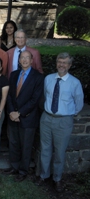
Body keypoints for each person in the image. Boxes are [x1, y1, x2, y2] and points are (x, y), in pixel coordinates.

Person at [36, 53, 84, 192]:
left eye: (65, 63)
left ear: (69, 65)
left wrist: (67, 113)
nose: (62, 65)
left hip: (64, 121)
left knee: (59, 152)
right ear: (56, 63)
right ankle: (44, 176)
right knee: (45, 149)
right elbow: (45, 96)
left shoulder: (75, 83)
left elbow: (79, 103)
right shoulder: (48, 79)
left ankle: (57, 179)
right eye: (59, 62)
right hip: (46, 118)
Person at [4, 51, 44, 182]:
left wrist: (19, 113)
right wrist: (11, 112)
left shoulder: (38, 77)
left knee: (26, 146)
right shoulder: (14, 75)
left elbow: (34, 100)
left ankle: (23, 171)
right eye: (22, 57)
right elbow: (10, 96)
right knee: (14, 143)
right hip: (13, 116)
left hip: (27, 117)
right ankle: (14, 167)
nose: (25, 60)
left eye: (28, 57)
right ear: (19, 60)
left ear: (32, 60)